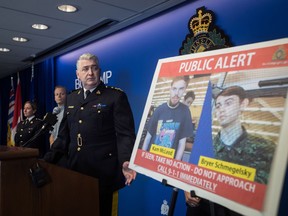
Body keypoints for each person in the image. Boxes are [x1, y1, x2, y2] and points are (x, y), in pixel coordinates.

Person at [44, 53, 136, 216]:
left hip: (103, 172)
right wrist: (47, 160)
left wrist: (127, 160)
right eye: (85, 69)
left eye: (94, 68)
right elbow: (64, 135)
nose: (90, 73)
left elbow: (125, 134)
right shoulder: (71, 98)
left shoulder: (115, 96)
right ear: (78, 74)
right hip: (75, 170)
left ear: (99, 71)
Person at [213, 85, 276, 184]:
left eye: (228, 103)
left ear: (242, 105)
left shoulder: (266, 149)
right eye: (218, 106)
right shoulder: (207, 147)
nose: (221, 109)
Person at [141, 76, 194, 160]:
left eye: (180, 89)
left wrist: (175, 163)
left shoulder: (185, 112)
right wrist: (142, 158)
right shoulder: (159, 109)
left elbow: (182, 143)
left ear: (184, 90)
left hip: (168, 160)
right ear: (170, 89)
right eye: (174, 88)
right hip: (151, 157)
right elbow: (148, 136)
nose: (176, 93)